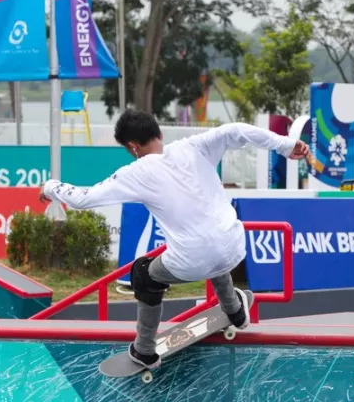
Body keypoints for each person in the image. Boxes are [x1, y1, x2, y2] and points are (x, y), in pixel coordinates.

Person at [39, 109, 310, 369]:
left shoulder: (137, 171)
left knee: (144, 274)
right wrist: (286, 145)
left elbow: (85, 199)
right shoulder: (195, 146)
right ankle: (235, 311)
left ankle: (144, 350)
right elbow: (238, 130)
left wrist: (50, 187)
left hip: (194, 259)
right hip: (235, 246)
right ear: (159, 134)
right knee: (207, 245)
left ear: (133, 146)